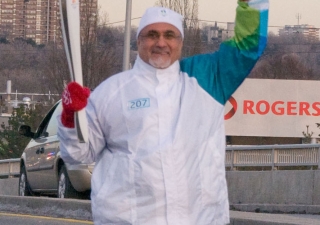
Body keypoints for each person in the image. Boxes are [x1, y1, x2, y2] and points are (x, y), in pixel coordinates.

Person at [58, 1, 269, 224]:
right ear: (138, 40)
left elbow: (249, 46)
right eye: (152, 35)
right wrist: (71, 118)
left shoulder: (208, 78)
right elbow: (78, 154)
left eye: (170, 35)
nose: (161, 42)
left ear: (180, 41)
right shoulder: (111, 93)